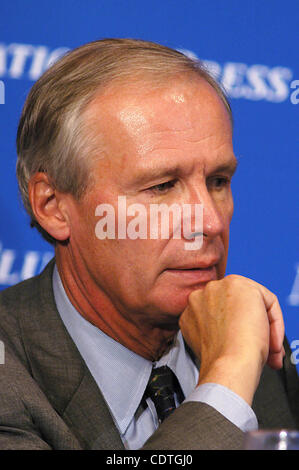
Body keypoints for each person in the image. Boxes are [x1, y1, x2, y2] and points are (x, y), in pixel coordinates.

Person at [0, 38, 298, 450]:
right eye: (162, 187)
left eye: (218, 182)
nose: (209, 222)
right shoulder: (9, 375)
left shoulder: (253, 341)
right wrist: (227, 381)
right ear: (53, 207)